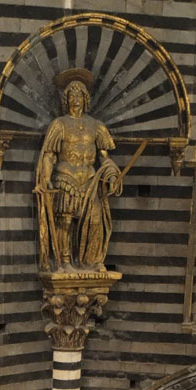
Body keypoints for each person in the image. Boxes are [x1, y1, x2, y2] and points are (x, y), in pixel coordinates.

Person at [35, 69, 123, 273]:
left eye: (79, 95)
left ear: (86, 99)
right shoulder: (59, 125)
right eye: (72, 95)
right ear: (66, 99)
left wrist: (111, 173)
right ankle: (64, 261)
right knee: (65, 221)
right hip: (66, 178)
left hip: (90, 181)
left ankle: (91, 261)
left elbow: (104, 157)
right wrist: (46, 179)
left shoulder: (97, 126)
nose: (76, 99)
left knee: (95, 220)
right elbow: (50, 155)